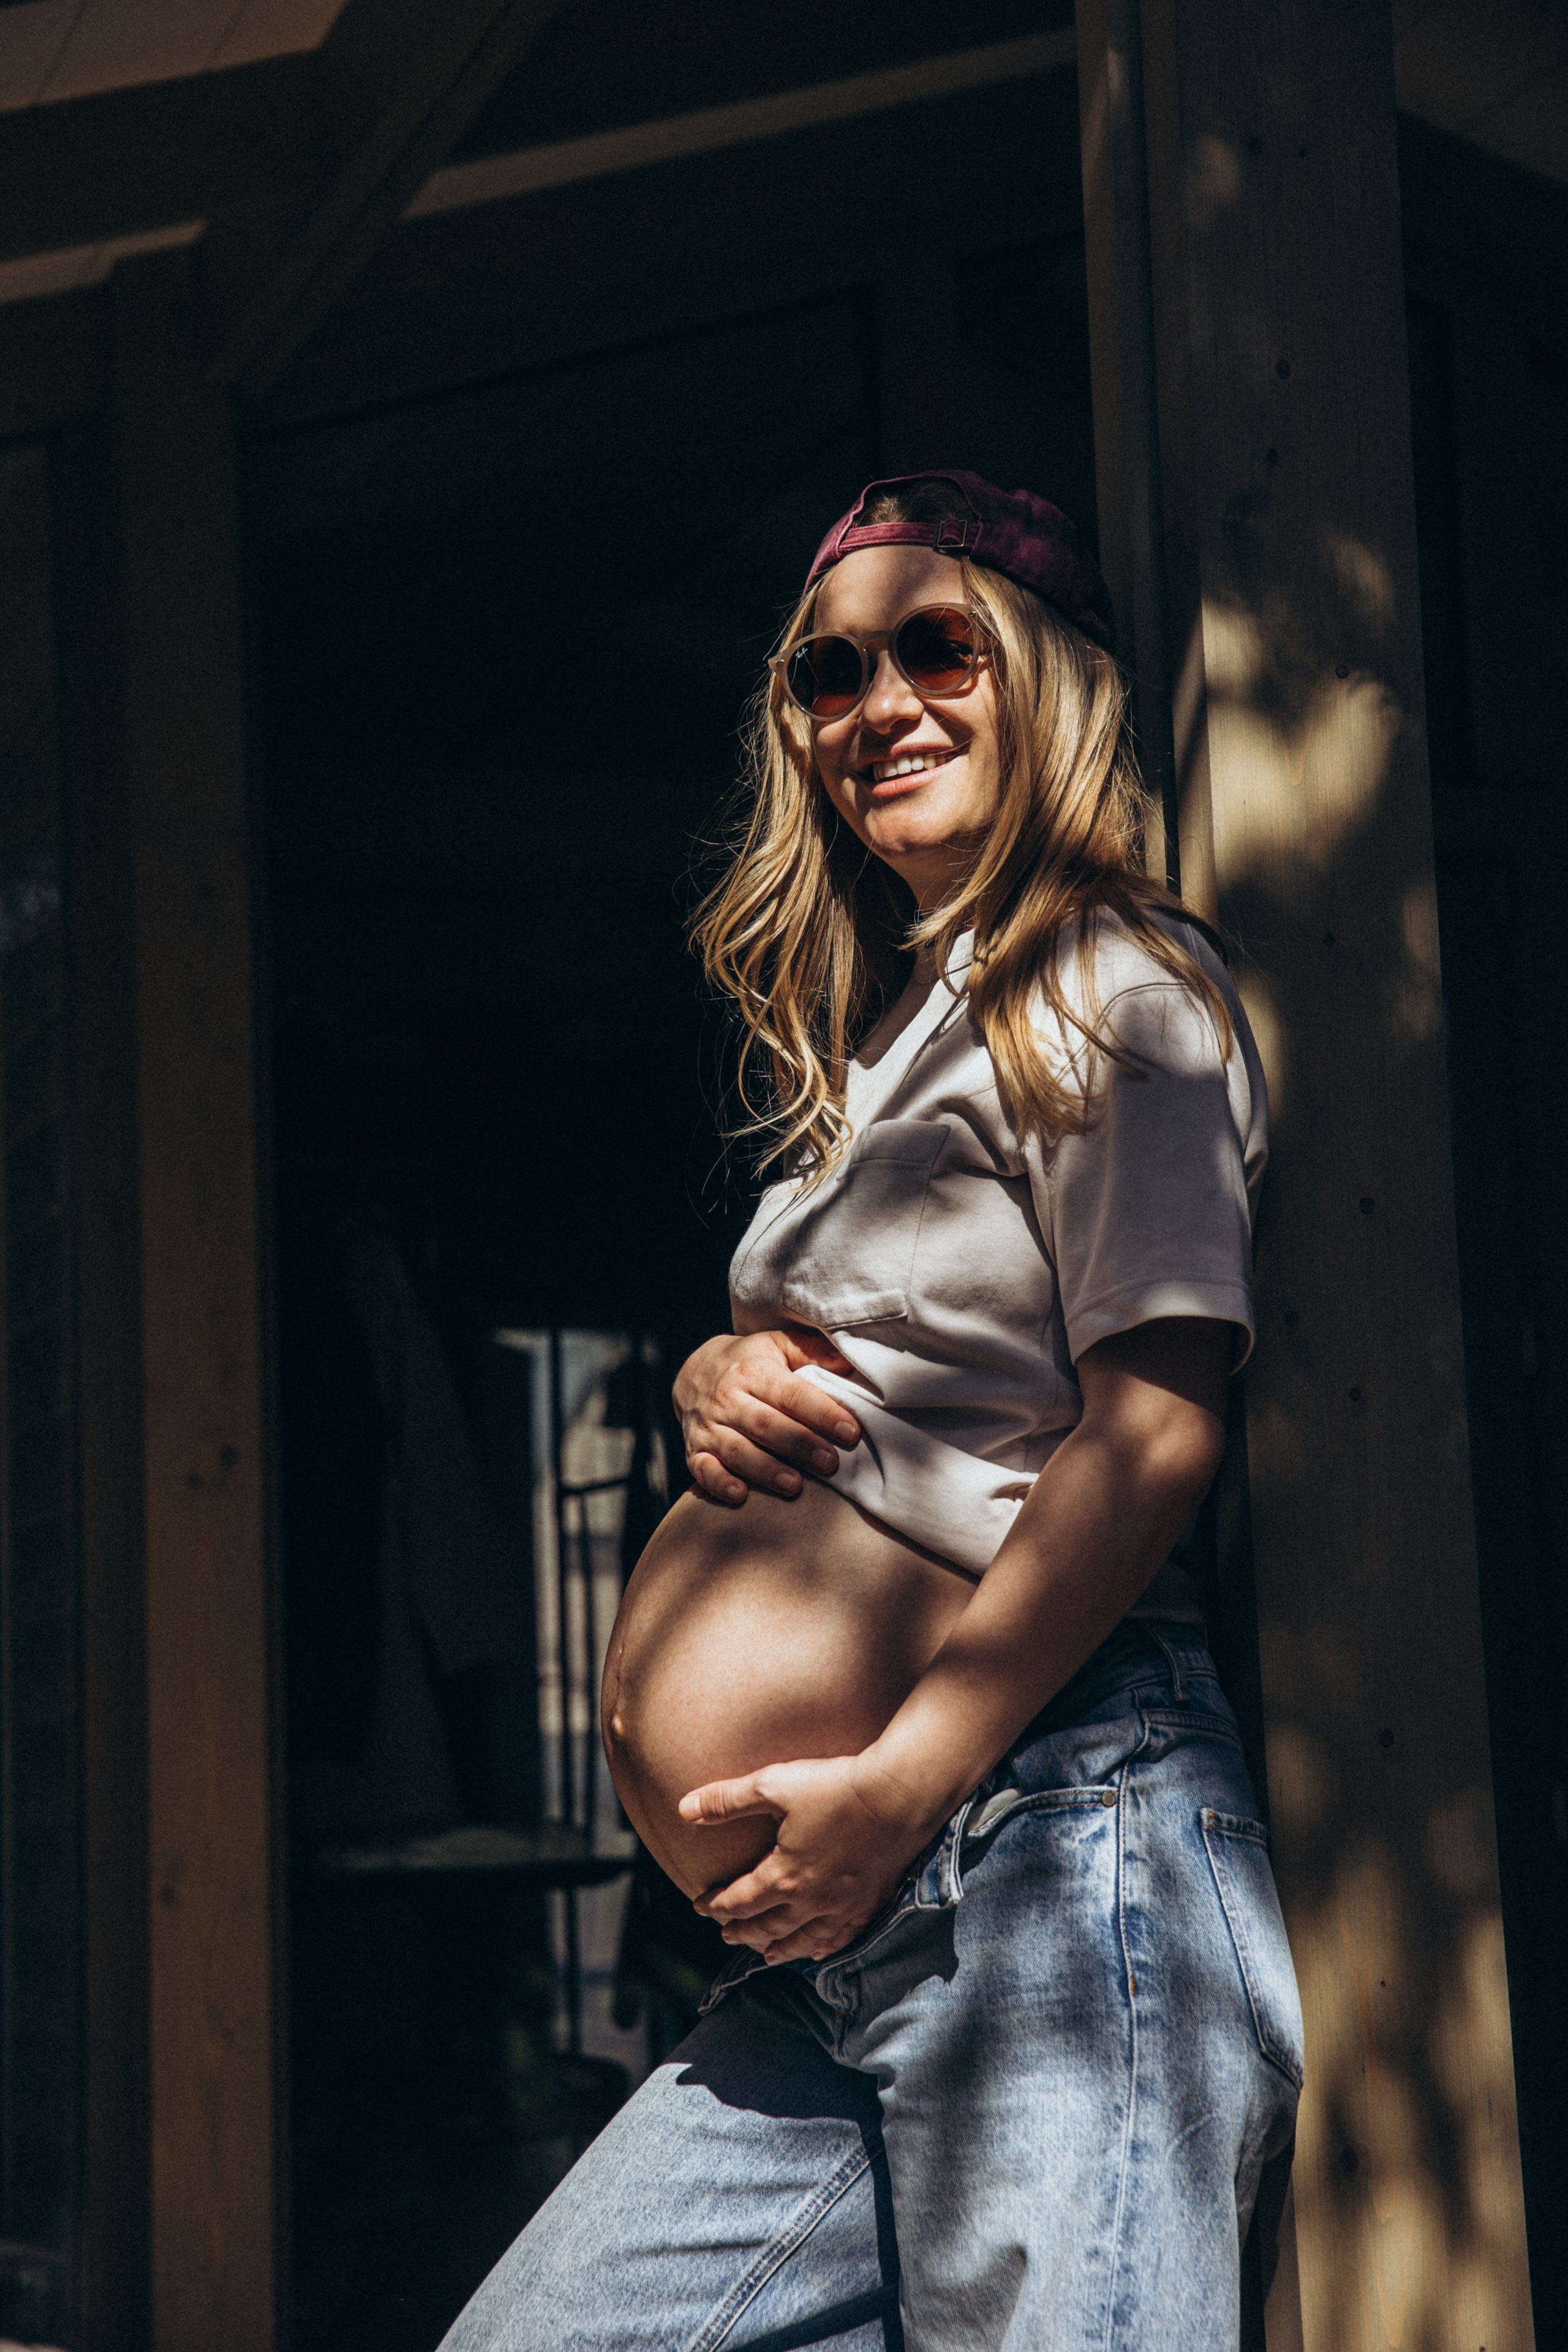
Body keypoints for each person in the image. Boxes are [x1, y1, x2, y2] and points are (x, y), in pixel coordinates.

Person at [440, 470, 1302, 2351]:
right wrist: (714, 1373)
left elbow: (1155, 1426)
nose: (878, 705)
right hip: (853, 1936)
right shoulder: (910, 1035)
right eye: (829, 673)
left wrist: (904, 1783)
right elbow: (919, 1375)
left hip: (1041, 1856)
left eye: (937, 649)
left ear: (1051, 678)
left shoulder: (1114, 981)